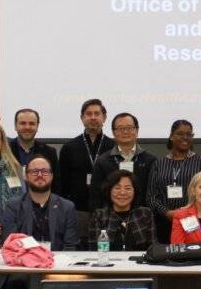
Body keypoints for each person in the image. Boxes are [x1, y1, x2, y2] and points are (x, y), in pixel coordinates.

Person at [1, 156, 77, 289]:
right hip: (23, 265)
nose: (40, 175)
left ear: (52, 176)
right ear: (26, 176)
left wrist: (53, 264)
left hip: (57, 264)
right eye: (34, 171)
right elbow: (10, 243)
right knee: (17, 282)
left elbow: (70, 245)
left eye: (44, 171)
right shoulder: (13, 205)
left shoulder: (67, 207)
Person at [58, 99, 115, 248]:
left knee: (105, 248)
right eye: (88, 114)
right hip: (77, 210)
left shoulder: (113, 146)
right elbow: (62, 183)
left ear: (104, 117)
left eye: (97, 113)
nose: (93, 117)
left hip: (107, 210)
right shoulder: (69, 147)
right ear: (82, 118)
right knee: (79, 249)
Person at [147, 120, 201, 243]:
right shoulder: (159, 164)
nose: (185, 137)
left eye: (189, 134)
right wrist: (167, 213)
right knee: (167, 256)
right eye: (180, 133)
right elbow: (151, 196)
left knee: (193, 253)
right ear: (171, 136)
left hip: (194, 220)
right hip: (163, 221)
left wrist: (186, 212)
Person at [90, 113, 157, 209]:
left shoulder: (150, 160)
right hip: (110, 218)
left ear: (137, 130)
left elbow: (152, 195)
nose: (125, 131)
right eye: (120, 128)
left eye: (130, 127)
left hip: (141, 218)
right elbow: (95, 196)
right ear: (114, 133)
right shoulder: (102, 161)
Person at [88, 170, 157, 251]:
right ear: (109, 190)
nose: (122, 192)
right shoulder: (99, 215)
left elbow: (154, 248)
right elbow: (93, 251)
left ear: (135, 191)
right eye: (117, 188)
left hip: (139, 262)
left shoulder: (145, 213)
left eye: (128, 188)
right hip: (109, 262)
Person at [7, 108, 58, 185]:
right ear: (15, 126)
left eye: (31, 123)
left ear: (37, 126)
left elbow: (56, 184)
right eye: (23, 123)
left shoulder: (49, 152)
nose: (27, 127)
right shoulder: (6, 151)